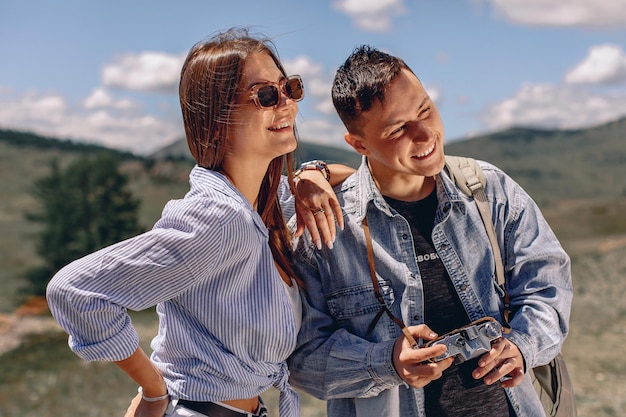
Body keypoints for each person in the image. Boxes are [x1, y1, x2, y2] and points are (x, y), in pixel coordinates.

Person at [46, 28, 351, 417]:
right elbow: (75, 291)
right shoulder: (219, 219)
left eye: (289, 87)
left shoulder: (260, 208)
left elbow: (356, 177)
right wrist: (153, 388)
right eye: (266, 96)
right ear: (216, 116)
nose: (287, 104)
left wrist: (313, 173)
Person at [287, 45, 573, 417]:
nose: (424, 135)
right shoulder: (322, 230)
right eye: (398, 129)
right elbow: (301, 358)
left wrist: (522, 345)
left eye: (425, 110)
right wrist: (385, 361)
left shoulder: (490, 191)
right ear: (359, 144)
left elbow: (548, 286)